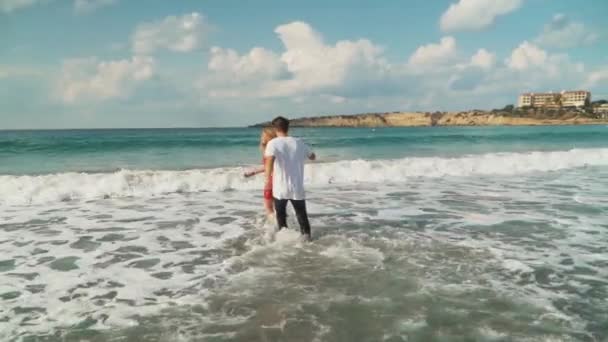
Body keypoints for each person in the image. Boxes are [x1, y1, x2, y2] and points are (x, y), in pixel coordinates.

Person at [264, 116, 316, 241]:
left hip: (280, 188)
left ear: (275, 128)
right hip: (297, 187)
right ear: (288, 128)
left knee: (281, 217)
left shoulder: (273, 143)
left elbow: (269, 161)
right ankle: (307, 240)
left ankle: (284, 242)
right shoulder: (299, 142)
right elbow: (312, 156)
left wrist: (267, 180)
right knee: (302, 216)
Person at [244, 126, 277, 216]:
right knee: (278, 208)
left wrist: (255, 172)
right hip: (279, 182)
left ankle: (274, 227)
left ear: (268, 137)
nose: (261, 137)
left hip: (270, 183)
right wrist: (254, 172)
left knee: (269, 208)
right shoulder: (276, 150)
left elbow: (269, 167)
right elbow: (271, 167)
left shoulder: (269, 151)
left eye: (263, 136)